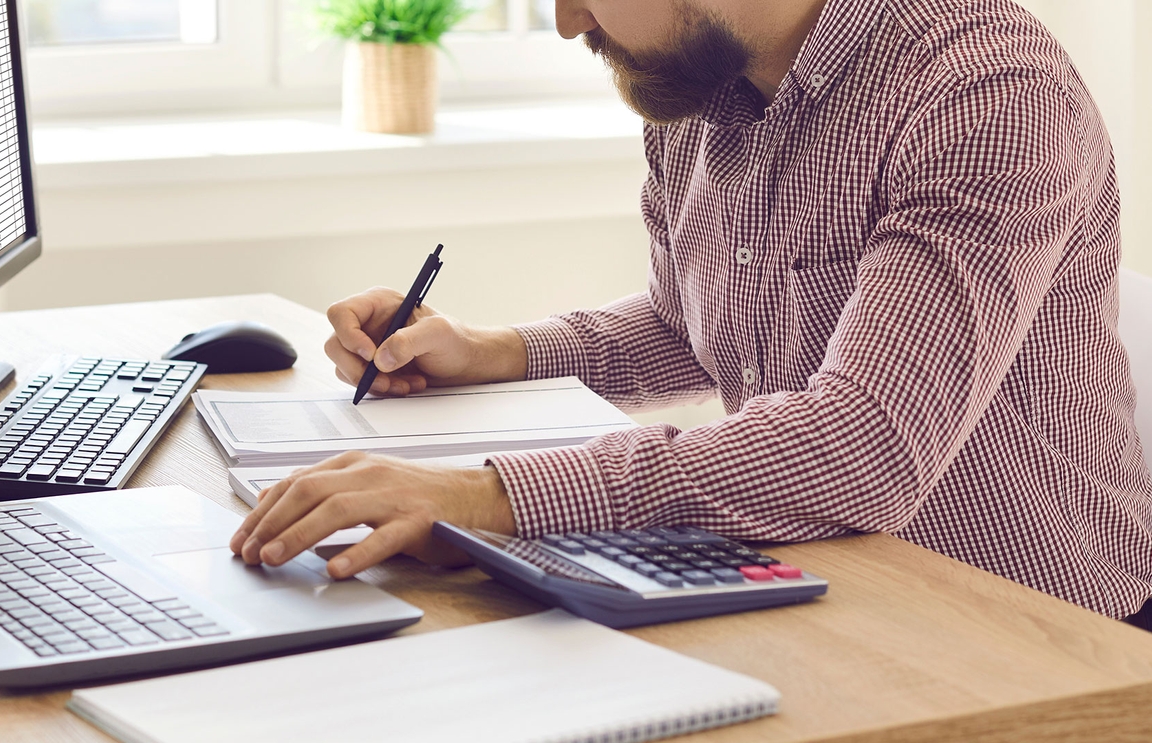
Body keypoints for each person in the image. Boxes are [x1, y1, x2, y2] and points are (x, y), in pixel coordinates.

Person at [230, 0, 1152, 624]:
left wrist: (482, 498)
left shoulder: (984, 92)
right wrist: (489, 349)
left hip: (1032, 625)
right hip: (826, 575)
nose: (565, 22)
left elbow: (864, 443)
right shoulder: (699, 89)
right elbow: (688, 324)